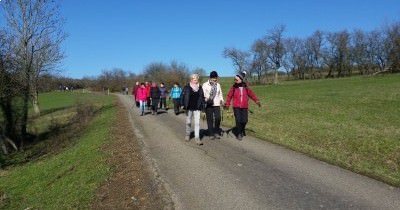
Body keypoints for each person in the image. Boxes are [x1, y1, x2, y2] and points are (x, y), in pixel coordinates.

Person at [224, 71, 261, 140]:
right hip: (236, 106)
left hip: (244, 106)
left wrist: (256, 100)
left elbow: (251, 94)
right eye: (235, 79)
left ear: (241, 79)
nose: (235, 81)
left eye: (237, 79)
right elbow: (229, 96)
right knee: (238, 120)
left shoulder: (245, 86)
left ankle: (242, 129)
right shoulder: (234, 87)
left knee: (245, 120)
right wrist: (227, 104)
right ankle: (239, 133)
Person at [180, 74, 205, 145]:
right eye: (194, 79)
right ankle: (188, 134)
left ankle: (197, 138)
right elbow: (182, 96)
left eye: (197, 79)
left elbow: (202, 98)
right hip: (189, 107)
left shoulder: (200, 87)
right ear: (191, 79)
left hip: (197, 108)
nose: (196, 81)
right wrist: (182, 104)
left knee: (197, 123)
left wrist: (203, 107)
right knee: (188, 122)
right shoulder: (187, 87)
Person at [203, 70, 224, 140]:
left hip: (217, 104)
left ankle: (216, 132)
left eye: (216, 78)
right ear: (210, 78)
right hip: (208, 104)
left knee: (218, 118)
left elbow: (220, 94)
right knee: (210, 119)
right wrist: (206, 99)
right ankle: (211, 133)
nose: (215, 80)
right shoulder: (205, 85)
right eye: (213, 78)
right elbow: (202, 95)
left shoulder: (218, 85)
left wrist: (222, 100)